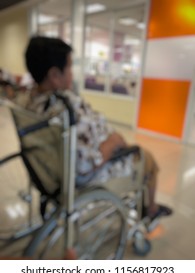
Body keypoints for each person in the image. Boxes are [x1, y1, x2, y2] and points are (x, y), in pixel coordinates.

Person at [14, 36, 172, 220]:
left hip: (50, 171)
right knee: (147, 158)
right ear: (55, 75)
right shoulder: (65, 108)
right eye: (69, 67)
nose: (72, 74)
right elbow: (85, 165)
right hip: (89, 174)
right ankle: (151, 209)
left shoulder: (26, 101)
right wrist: (113, 142)